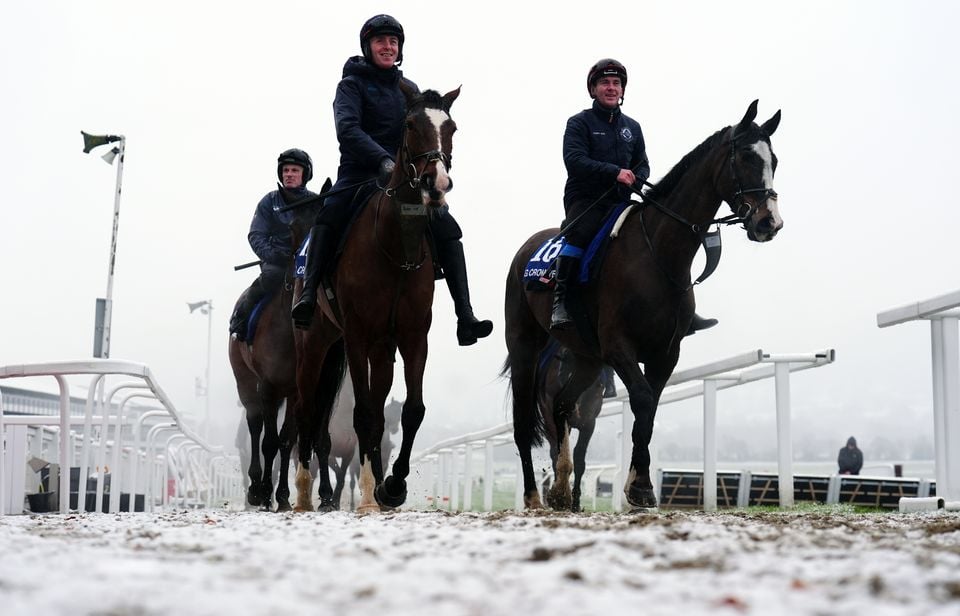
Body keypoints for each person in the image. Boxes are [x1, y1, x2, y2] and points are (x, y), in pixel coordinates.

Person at [291, 14, 492, 347]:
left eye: (393, 42)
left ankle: (465, 316)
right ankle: (309, 296)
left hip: (403, 179)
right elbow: (348, 130)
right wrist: (381, 160)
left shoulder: (409, 90)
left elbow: (425, 132)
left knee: (447, 227)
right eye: (381, 41)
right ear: (368, 47)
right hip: (359, 174)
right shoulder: (350, 86)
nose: (387, 46)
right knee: (328, 216)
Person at [552, 58, 717, 335]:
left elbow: (642, 164)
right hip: (586, 200)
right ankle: (561, 302)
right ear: (593, 89)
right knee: (581, 232)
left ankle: (682, 309)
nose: (611, 88)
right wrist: (614, 172)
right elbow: (574, 159)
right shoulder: (579, 123)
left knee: (660, 234)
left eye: (616, 83)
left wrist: (636, 178)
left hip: (621, 200)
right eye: (605, 83)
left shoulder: (633, 127)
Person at [229, 148, 316, 342]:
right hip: (278, 263)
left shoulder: (315, 201)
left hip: (308, 264)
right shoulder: (269, 202)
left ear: (305, 174)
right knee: (270, 276)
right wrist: (273, 255)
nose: (289, 175)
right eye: (285, 171)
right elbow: (256, 235)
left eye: (294, 170)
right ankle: (240, 320)